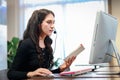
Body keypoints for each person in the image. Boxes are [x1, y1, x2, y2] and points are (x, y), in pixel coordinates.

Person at [7, 8, 76, 80]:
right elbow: (11, 73)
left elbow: (44, 73)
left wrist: (60, 69)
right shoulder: (27, 44)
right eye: (49, 22)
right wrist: (31, 73)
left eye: (53, 22)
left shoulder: (47, 43)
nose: (52, 26)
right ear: (38, 24)